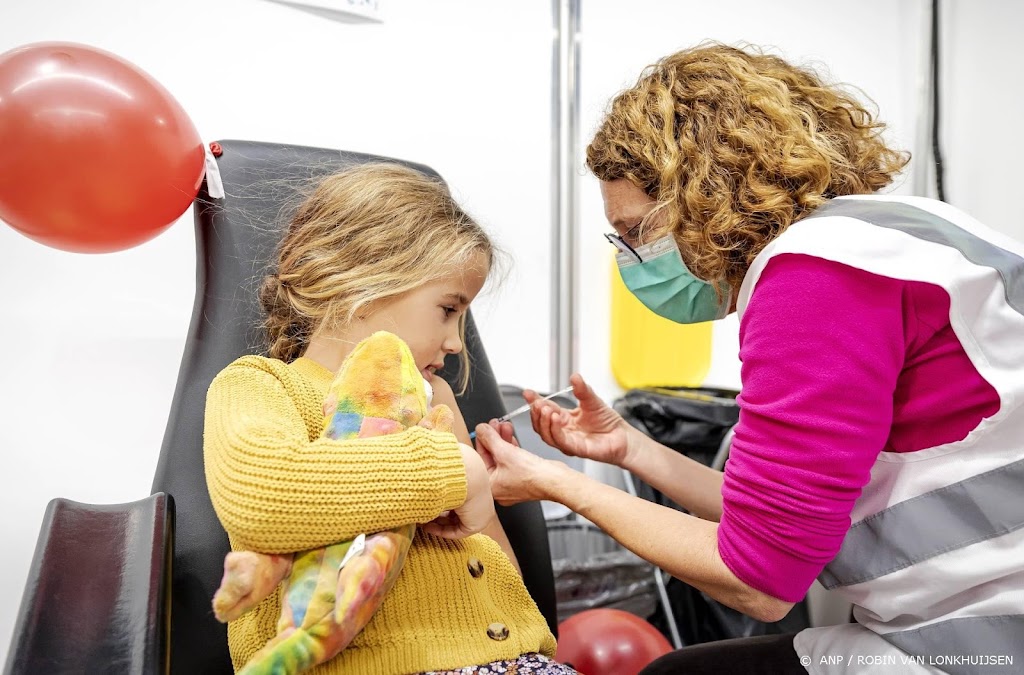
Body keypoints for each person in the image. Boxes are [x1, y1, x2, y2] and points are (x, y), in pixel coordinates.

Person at [474, 43, 1024, 675]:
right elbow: (782, 520)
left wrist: (554, 483)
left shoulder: (816, 278)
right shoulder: (898, 233)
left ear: (703, 195)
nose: (629, 257)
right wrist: (631, 451)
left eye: (636, 232)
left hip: (982, 640)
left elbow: (759, 581)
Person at [203, 163, 575, 675]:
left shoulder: (433, 401)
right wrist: (454, 472)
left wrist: (476, 489)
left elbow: (497, 575)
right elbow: (263, 497)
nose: (455, 343)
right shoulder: (261, 384)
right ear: (359, 282)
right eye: (448, 310)